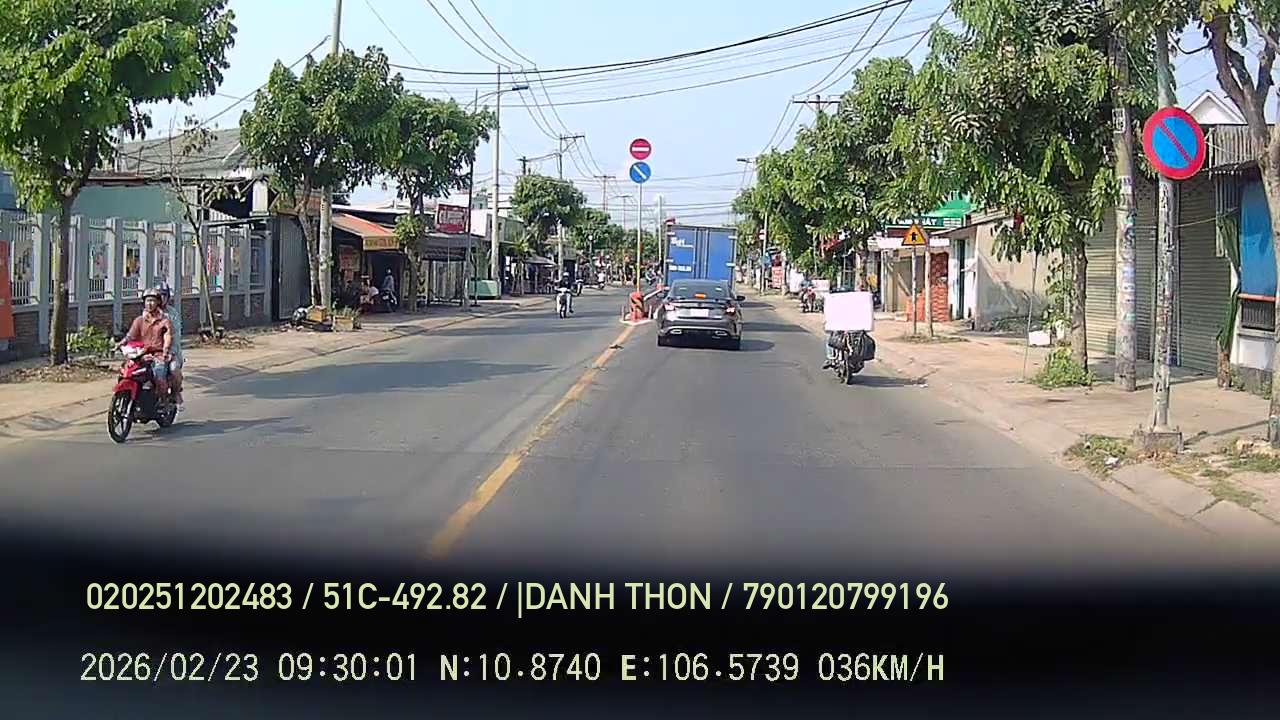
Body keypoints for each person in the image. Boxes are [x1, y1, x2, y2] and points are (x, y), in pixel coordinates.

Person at [124, 287, 174, 402]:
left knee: (159, 377)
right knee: (126, 373)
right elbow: (130, 336)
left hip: (158, 355)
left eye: (152, 301)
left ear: (158, 303)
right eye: (147, 301)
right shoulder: (139, 320)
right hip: (140, 354)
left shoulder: (164, 321)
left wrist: (166, 349)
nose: (150, 304)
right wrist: (119, 344)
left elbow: (167, 336)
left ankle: (163, 402)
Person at [156, 282, 185, 411]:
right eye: (158, 296)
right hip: (151, 352)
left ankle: (176, 393)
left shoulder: (172, 314)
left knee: (174, 369)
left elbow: (175, 336)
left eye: (164, 295)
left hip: (171, 352)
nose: (161, 298)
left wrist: (170, 352)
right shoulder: (148, 313)